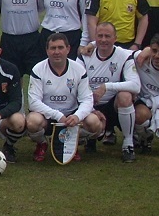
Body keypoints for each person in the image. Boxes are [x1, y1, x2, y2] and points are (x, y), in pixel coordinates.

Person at [26, 33, 103, 162]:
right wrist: (57, 116)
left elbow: (87, 100)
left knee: (94, 122)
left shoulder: (79, 69)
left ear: (68, 49)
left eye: (60, 47)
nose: (57, 52)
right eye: (53, 48)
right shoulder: (38, 69)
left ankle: (73, 142)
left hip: (71, 117)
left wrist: (77, 116)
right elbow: (33, 102)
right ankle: (42, 143)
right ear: (47, 50)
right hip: (47, 117)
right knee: (32, 121)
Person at [78, 22, 142, 162]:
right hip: (90, 105)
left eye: (107, 36)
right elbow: (76, 84)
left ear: (115, 38)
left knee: (125, 96)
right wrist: (90, 105)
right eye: (100, 36)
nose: (103, 40)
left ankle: (128, 145)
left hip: (113, 106)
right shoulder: (85, 55)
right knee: (78, 106)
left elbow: (136, 86)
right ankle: (90, 138)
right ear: (95, 38)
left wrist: (107, 86)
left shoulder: (125, 55)